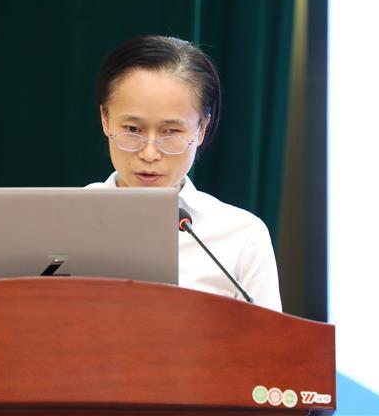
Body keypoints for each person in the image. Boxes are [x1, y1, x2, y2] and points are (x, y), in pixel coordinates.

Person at [87, 35, 282, 311]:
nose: (150, 153)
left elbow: (270, 337)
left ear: (201, 129)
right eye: (132, 130)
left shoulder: (242, 236)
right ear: (106, 119)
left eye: (171, 132)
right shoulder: (62, 223)